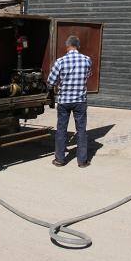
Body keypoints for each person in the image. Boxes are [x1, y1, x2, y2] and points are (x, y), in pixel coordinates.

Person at [46, 35, 92, 168]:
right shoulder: (87, 60)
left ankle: (60, 160)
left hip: (64, 101)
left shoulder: (60, 61)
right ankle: (82, 161)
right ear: (78, 46)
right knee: (81, 130)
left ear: (67, 46)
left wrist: (58, 85)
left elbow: (50, 81)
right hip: (80, 101)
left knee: (61, 129)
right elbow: (88, 75)